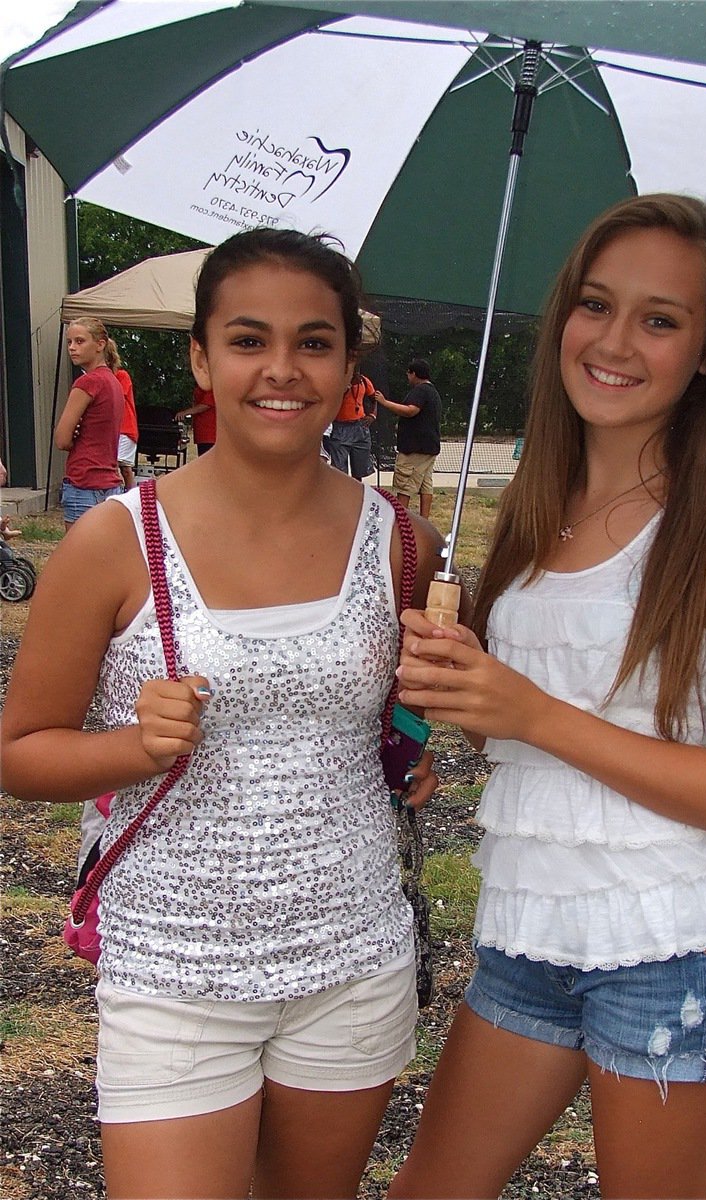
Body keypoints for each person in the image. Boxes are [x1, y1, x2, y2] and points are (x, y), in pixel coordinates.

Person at [2, 227, 458, 1200]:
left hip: (352, 963)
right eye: (249, 340)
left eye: (315, 342)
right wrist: (131, 747)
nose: (282, 370)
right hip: (172, 972)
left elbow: (404, 734)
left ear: (349, 369)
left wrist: (419, 738)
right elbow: (21, 753)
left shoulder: (403, 545)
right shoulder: (116, 545)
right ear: (202, 356)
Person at [390, 194, 706, 1200]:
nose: (614, 341)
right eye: (594, 305)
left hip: (675, 944)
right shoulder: (540, 499)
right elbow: (519, 709)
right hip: (534, 927)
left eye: (660, 320)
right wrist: (443, 705)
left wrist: (530, 714)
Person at [54, 317, 125, 527]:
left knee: (77, 558)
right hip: (110, 482)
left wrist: (74, 434)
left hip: (83, 480)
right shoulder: (113, 381)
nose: (72, 348)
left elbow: (61, 439)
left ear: (100, 344)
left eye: (80, 341)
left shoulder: (88, 381)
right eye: (69, 342)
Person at [376, 359, 441, 518]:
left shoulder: (420, 390)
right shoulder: (433, 391)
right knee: (425, 484)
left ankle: (401, 519)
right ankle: (424, 519)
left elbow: (411, 410)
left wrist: (384, 403)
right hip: (429, 447)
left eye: (408, 373)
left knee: (404, 484)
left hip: (414, 449)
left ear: (414, 373)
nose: (407, 376)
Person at [324, 368, 377, 478]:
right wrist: (344, 390)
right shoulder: (337, 382)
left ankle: (356, 493)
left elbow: (374, 398)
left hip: (360, 427)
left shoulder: (364, 381)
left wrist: (373, 414)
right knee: (339, 471)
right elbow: (330, 402)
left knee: (360, 470)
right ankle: (341, 494)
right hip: (340, 427)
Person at [105, 338, 139, 490]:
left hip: (125, 427)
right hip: (110, 428)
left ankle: (129, 495)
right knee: (116, 465)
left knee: (123, 466)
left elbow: (115, 395)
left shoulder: (122, 375)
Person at [174, 383, 217, 454]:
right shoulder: (200, 386)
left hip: (210, 434)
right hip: (202, 434)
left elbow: (206, 405)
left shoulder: (210, 386)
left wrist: (185, 412)